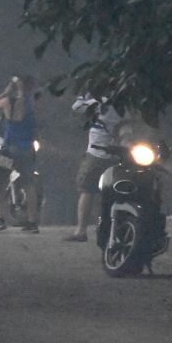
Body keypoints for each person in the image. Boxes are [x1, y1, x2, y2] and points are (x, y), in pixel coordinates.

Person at [63, 94, 122, 242]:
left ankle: (81, 230)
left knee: (87, 190)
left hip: (96, 153)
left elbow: (77, 107)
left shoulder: (98, 102)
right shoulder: (126, 103)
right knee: (114, 192)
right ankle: (111, 229)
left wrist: (84, 95)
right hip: (120, 155)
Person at [0, 75, 40, 233]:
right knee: (29, 184)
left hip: (9, 149)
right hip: (27, 149)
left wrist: (5, 91)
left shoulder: (7, 102)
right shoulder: (32, 103)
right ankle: (32, 222)